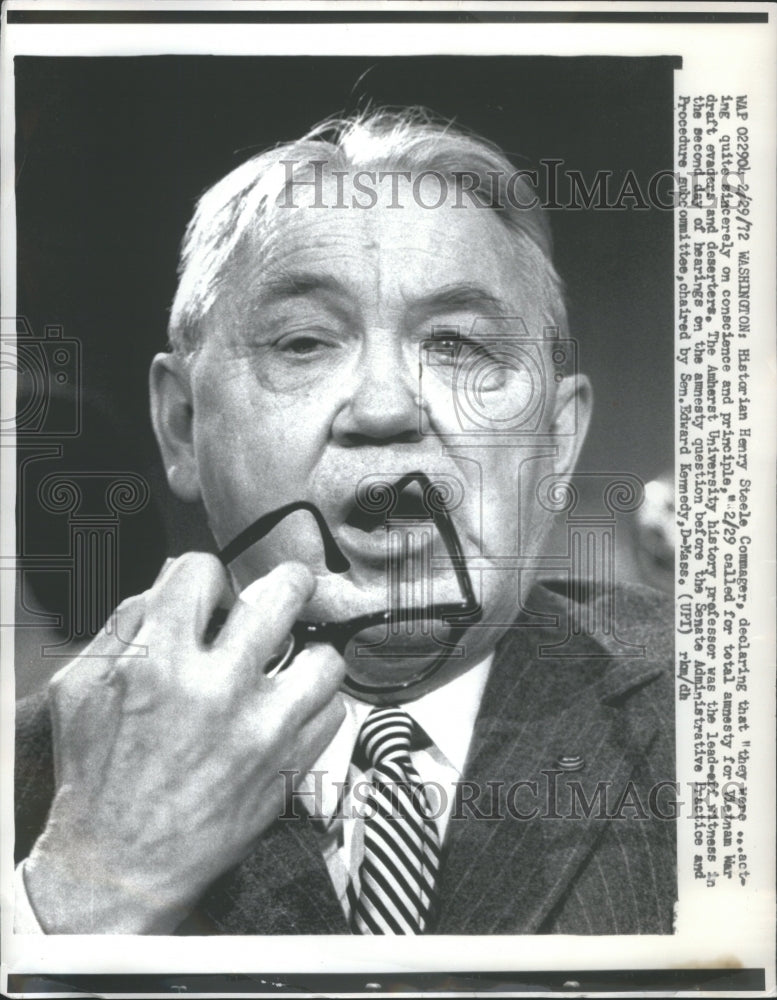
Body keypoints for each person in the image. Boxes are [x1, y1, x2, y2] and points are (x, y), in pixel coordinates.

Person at [14, 108, 675, 935]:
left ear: (558, 440)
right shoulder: (27, 775)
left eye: (460, 346)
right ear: (182, 425)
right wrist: (92, 887)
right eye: (302, 342)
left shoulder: (734, 712)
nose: (385, 408)